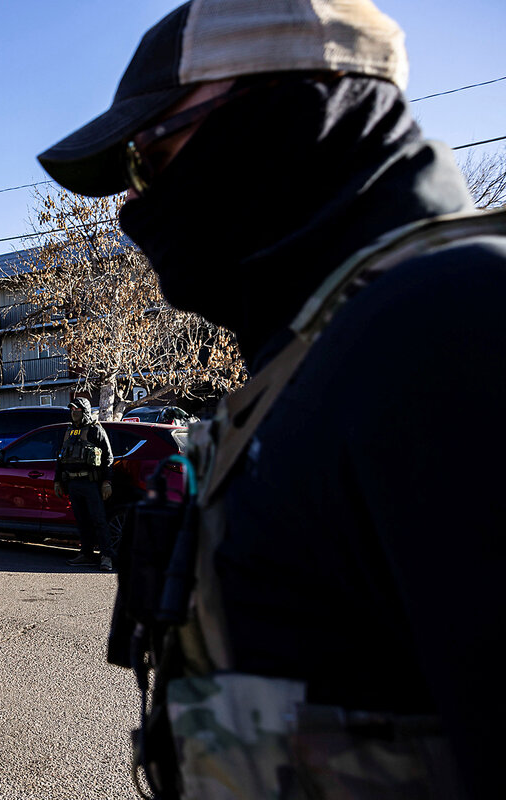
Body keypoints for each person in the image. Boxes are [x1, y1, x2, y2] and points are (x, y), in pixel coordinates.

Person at [36, 1, 504, 798]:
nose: (133, 206)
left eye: (151, 158)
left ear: (294, 110)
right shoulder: (322, 351)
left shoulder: (452, 321)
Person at [54, 398, 115, 570]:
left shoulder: (96, 430)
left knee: (99, 520)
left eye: (77, 410)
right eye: (72, 410)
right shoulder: (69, 431)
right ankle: (86, 554)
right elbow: (60, 458)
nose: (74, 413)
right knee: (82, 521)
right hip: (73, 483)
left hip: (91, 483)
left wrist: (107, 482)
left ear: (85, 411)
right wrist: (57, 480)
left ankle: (106, 557)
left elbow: (108, 458)